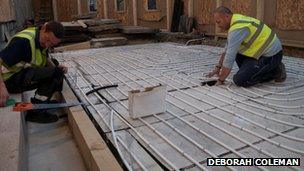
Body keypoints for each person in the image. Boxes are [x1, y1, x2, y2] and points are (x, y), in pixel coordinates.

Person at [0, 21, 67, 123]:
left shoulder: (39, 35)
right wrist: (1, 87)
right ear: (44, 28)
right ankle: (36, 113)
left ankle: (42, 103)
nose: (47, 45)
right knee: (54, 74)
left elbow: (42, 57)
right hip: (7, 80)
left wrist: (57, 67)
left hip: (18, 73)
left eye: (52, 44)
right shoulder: (24, 42)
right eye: (47, 40)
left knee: (56, 69)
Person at [207, 6, 286, 87]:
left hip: (272, 56)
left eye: (219, 22)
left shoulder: (238, 27)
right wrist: (218, 67)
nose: (218, 26)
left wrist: (221, 79)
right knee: (238, 57)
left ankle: (275, 71)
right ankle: (260, 69)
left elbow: (229, 57)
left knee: (240, 80)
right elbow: (227, 50)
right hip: (261, 53)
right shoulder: (235, 21)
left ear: (226, 16)